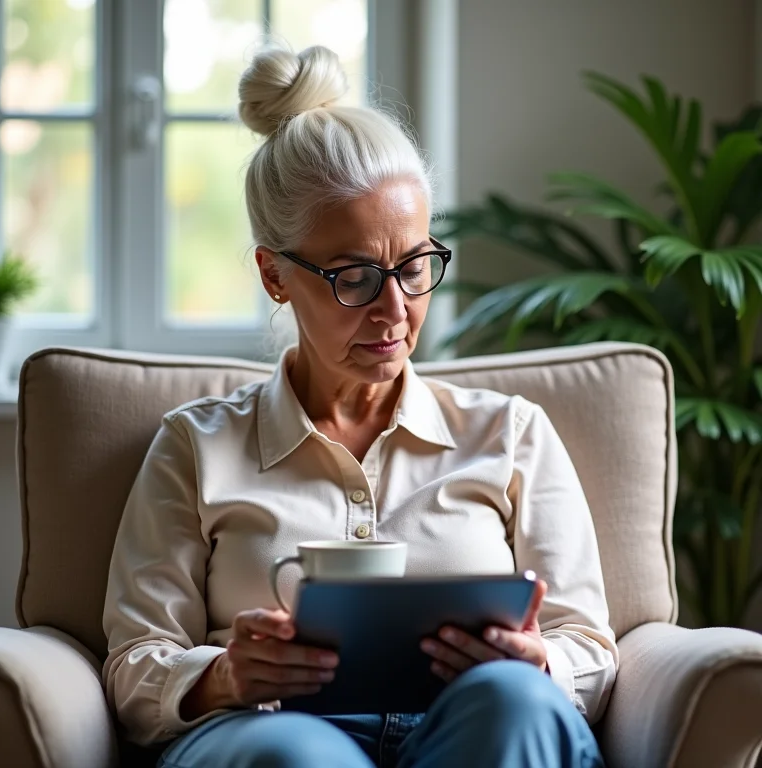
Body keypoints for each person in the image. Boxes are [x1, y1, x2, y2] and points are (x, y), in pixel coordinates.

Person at [102, 44, 618, 768]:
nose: (395, 310)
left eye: (414, 268)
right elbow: (133, 664)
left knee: (515, 702)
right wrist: (222, 676)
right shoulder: (197, 447)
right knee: (292, 754)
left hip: (470, 735)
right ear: (274, 275)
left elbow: (589, 646)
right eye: (354, 277)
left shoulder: (510, 435)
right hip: (272, 731)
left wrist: (535, 661)